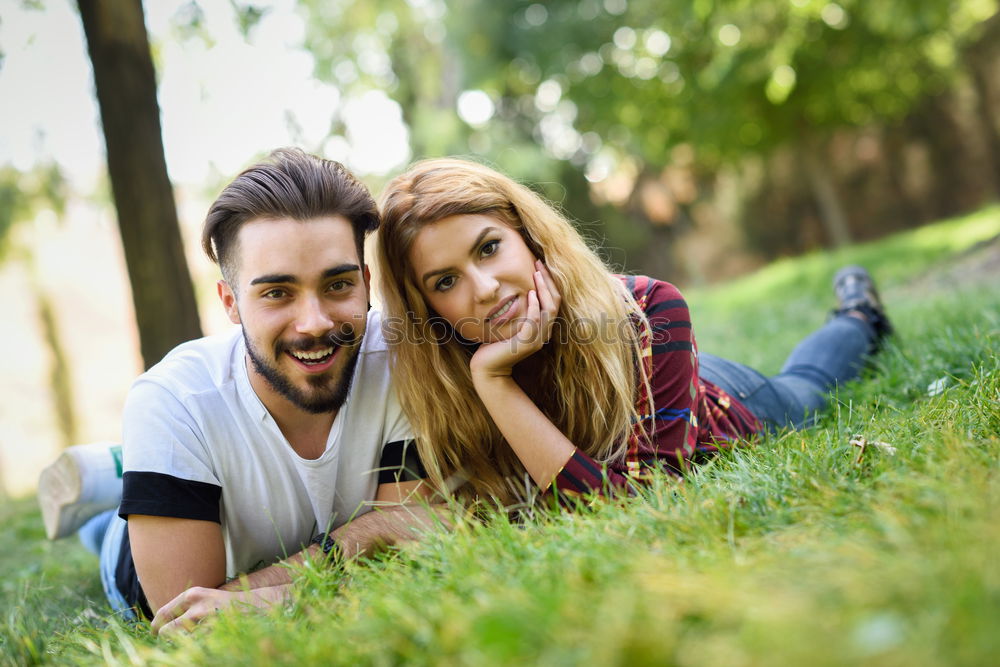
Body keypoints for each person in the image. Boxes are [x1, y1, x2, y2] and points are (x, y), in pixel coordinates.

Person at [37, 148, 435, 636]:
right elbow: (190, 618)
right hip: (134, 561)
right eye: (276, 293)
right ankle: (104, 492)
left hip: (213, 491)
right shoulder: (172, 399)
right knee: (105, 533)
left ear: (366, 283)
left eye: (337, 285)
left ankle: (119, 470)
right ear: (231, 302)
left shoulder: (400, 358)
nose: (314, 323)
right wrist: (365, 538)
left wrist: (281, 595)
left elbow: (409, 542)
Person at [374, 158, 893, 507]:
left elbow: (640, 502)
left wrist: (497, 385)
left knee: (805, 386)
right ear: (427, 306)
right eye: (446, 281)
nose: (484, 288)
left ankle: (858, 313)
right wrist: (489, 376)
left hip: (720, 403)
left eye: (489, 247)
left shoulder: (651, 307)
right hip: (658, 386)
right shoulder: (439, 380)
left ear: (529, 236)